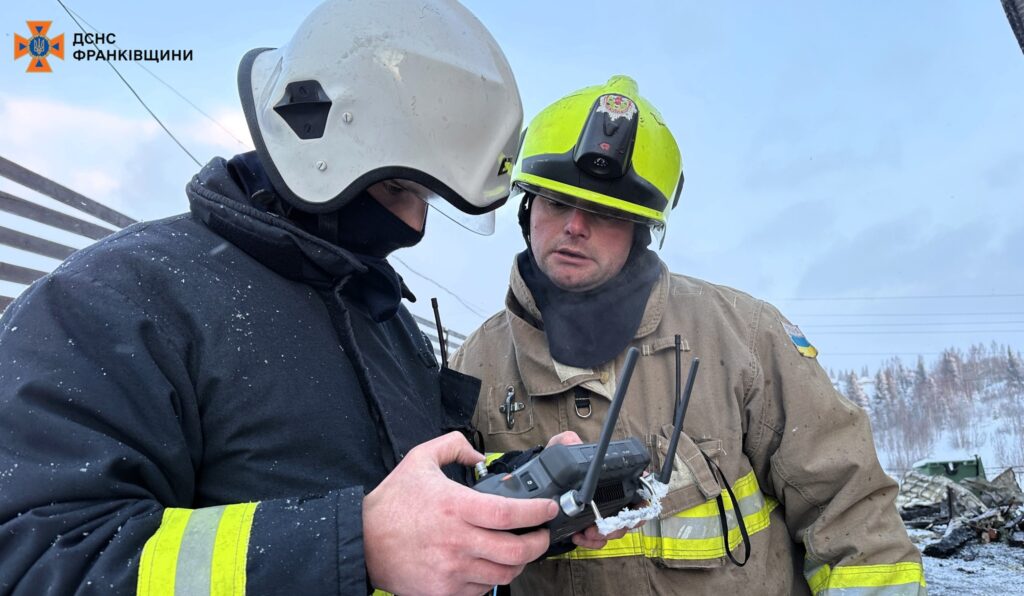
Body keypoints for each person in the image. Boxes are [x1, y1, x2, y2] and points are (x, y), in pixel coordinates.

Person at [0, 2, 619, 594]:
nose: (416, 227)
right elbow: (38, 561)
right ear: (320, 140)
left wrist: (518, 496)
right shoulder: (112, 302)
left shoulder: (383, 320)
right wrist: (357, 545)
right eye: (405, 190)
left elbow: (410, 499)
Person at [451, 75, 927, 595]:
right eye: (557, 202)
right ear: (526, 208)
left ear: (640, 229)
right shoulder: (476, 367)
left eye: (605, 212)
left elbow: (852, 514)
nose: (574, 227)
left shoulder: (744, 336)